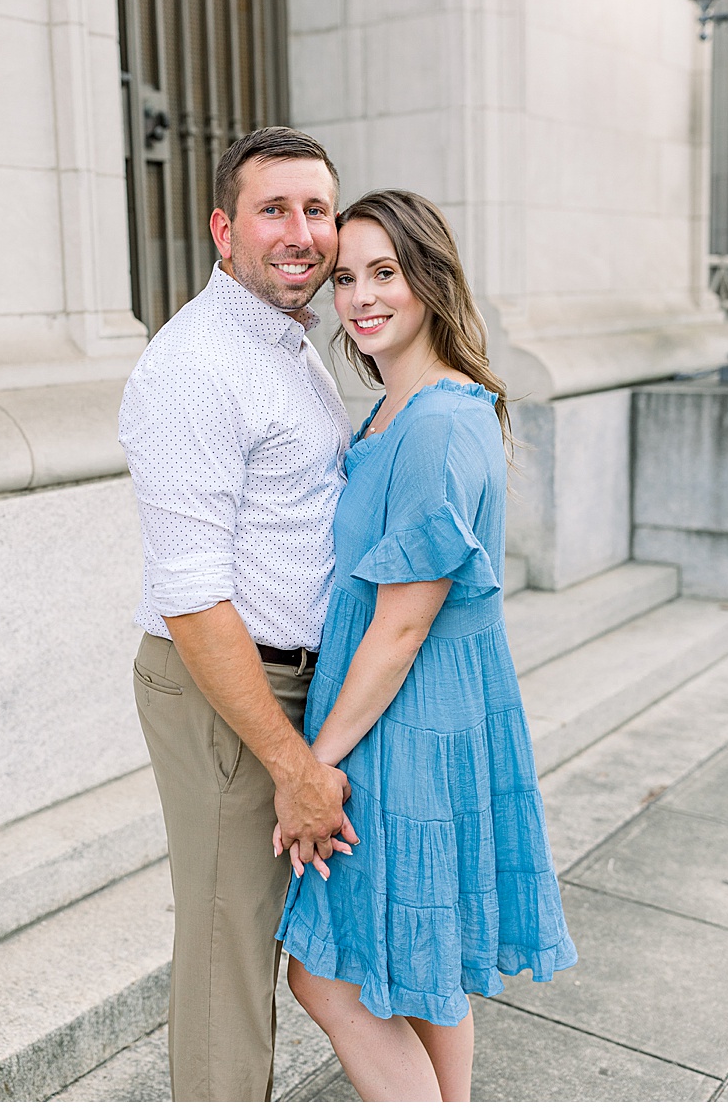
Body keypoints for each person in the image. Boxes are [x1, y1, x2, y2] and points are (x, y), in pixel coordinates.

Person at [276, 189, 577, 1101]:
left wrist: (310, 772)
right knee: (426, 962)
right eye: (345, 279)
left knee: (325, 973)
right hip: (423, 707)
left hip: (404, 719)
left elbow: (403, 625)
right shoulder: (407, 409)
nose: (361, 298)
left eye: (385, 273)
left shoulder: (439, 422)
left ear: (430, 281)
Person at [119, 126, 359, 1100]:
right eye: (274, 209)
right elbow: (191, 594)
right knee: (228, 955)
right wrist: (290, 761)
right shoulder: (193, 368)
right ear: (224, 230)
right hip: (230, 684)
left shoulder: (290, 343)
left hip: (301, 674)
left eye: (317, 209)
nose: (301, 231)